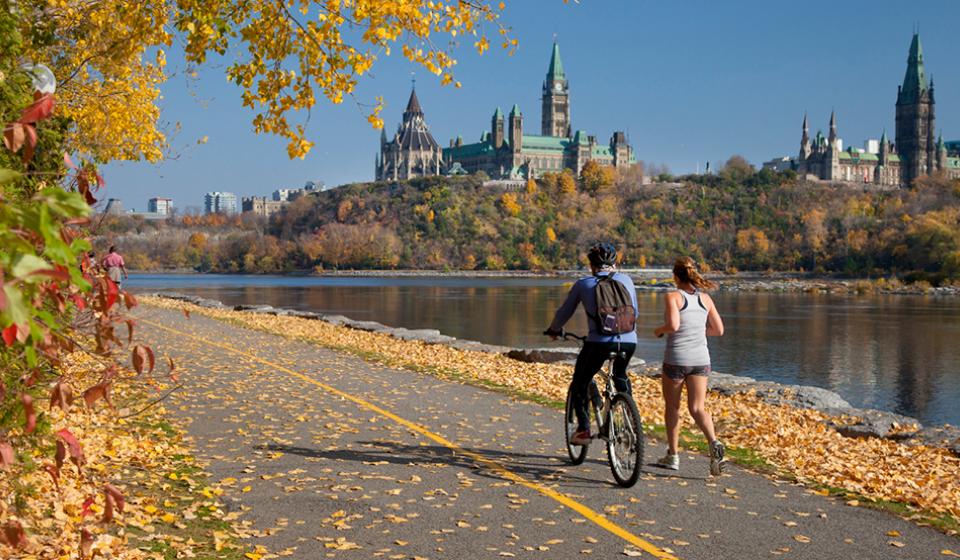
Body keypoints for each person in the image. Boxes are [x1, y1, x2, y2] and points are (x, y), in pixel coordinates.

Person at [545, 242, 638, 445]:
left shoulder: (584, 284)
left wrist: (553, 330)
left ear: (591, 265)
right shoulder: (627, 281)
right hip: (629, 341)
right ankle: (630, 417)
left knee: (580, 382)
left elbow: (564, 313)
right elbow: (635, 313)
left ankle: (584, 430)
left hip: (599, 343)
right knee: (620, 376)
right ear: (614, 263)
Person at [653, 257, 726, 475]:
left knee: (673, 407)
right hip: (701, 360)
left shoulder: (673, 296)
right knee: (697, 408)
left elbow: (673, 325)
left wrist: (659, 330)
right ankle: (714, 443)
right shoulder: (705, 299)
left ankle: (673, 456)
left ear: (675, 276)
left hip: (677, 359)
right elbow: (718, 330)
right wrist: (698, 332)